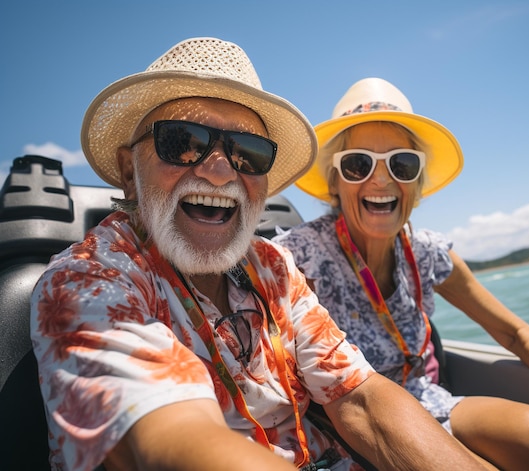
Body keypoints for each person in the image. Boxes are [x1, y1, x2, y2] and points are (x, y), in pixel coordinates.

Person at [30, 38, 489, 471]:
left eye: (247, 152)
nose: (218, 170)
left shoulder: (271, 265)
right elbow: (170, 443)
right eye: (182, 141)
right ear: (130, 171)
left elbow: (360, 399)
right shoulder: (89, 281)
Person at [273, 77, 529, 471]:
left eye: (401, 164)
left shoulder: (427, 252)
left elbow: (512, 331)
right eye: (357, 164)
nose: (381, 180)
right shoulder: (298, 256)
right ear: (335, 182)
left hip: (424, 395)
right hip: (353, 420)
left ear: (416, 183)